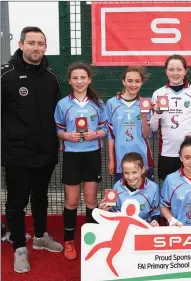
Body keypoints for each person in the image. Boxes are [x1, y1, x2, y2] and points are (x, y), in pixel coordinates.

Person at [1, 26, 63, 273]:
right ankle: (19, 246)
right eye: (32, 43)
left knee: (41, 197)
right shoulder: (5, 76)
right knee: (17, 202)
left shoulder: (51, 77)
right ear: (21, 44)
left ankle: (39, 236)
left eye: (41, 44)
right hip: (16, 154)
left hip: (45, 152)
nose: (36, 48)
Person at [54, 62, 108, 260]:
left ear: (89, 79)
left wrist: (96, 134)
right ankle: (69, 240)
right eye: (75, 78)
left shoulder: (98, 104)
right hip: (71, 156)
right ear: (69, 80)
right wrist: (67, 136)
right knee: (72, 201)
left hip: (92, 155)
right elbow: (58, 130)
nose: (79, 81)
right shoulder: (62, 104)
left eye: (83, 77)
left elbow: (106, 129)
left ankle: (92, 241)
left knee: (91, 199)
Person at [149, 54, 191, 181]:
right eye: (171, 69)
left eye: (179, 69)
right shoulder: (158, 94)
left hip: (190, 154)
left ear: (185, 70)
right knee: (167, 190)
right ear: (166, 71)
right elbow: (154, 128)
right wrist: (158, 113)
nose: (175, 73)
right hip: (167, 152)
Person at [106, 66, 155, 183]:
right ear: (123, 81)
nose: (133, 85)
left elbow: (147, 134)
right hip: (120, 158)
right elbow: (110, 135)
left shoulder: (145, 103)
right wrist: (111, 160)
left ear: (142, 83)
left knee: (145, 196)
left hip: (142, 157)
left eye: (137, 81)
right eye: (129, 81)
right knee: (123, 197)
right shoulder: (112, 103)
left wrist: (143, 117)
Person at [100, 152, 160, 226]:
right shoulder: (117, 186)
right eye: (126, 173)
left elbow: (156, 212)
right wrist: (106, 210)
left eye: (134, 172)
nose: (130, 177)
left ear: (143, 170)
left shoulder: (153, 188)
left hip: (144, 229)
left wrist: (155, 221)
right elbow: (113, 211)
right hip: (122, 227)